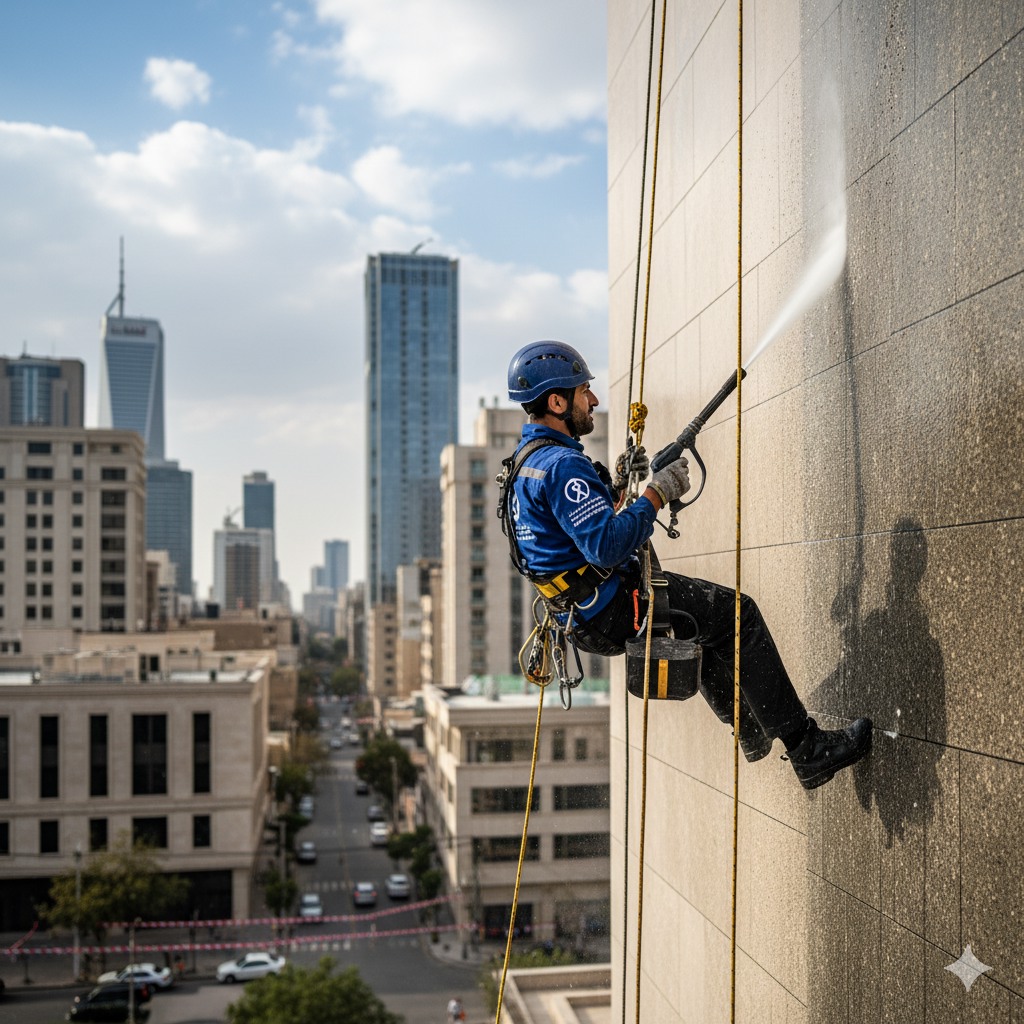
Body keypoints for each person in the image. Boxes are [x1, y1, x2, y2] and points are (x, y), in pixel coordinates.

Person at [502, 340, 872, 790]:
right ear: (556, 402)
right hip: (613, 607)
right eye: (583, 392)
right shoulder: (561, 467)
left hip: (582, 614)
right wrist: (657, 493)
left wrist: (618, 490)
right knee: (739, 616)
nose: (594, 400)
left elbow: (568, 535)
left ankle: (751, 729)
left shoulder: (526, 464)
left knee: (705, 624)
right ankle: (808, 751)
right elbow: (605, 546)